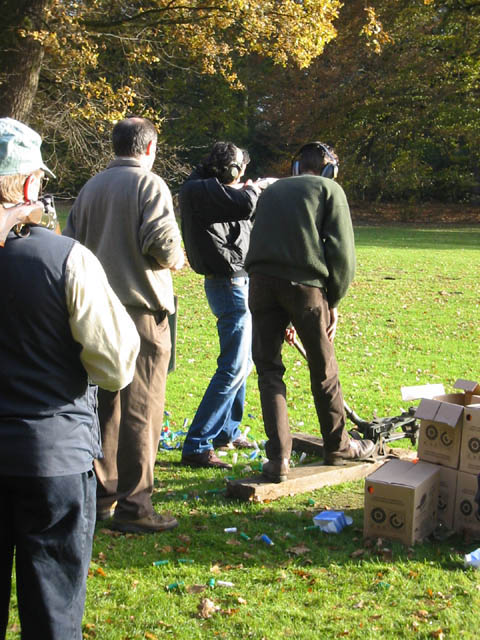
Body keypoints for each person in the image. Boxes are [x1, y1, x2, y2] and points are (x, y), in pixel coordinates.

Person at [0, 117, 140, 639]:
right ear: (30, 186)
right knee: (54, 616)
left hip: (44, 453)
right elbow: (115, 364)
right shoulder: (67, 259)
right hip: (50, 456)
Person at [64, 116, 184, 533]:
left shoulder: (90, 187)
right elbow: (161, 241)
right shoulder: (150, 184)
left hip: (95, 313)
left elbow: (70, 244)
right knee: (142, 409)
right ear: (149, 147)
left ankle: (103, 499)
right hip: (139, 312)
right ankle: (135, 507)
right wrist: (177, 258)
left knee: (104, 408)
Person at [245, 141, 375, 482]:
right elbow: (342, 254)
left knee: (269, 371)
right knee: (323, 368)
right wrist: (334, 301)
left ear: (296, 167)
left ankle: (278, 459)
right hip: (304, 287)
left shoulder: (271, 191)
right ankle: (338, 446)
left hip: (260, 284)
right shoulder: (330, 189)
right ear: (330, 169)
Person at [180, 142, 273, 469]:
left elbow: (244, 214)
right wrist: (256, 189)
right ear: (231, 170)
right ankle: (197, 443)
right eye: (240, 171)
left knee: (243, 362)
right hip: (227, 283)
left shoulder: (212, 191)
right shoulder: (200, 190)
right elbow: (246, 204)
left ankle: (226, 431)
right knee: (233, 366)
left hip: (237, 280)